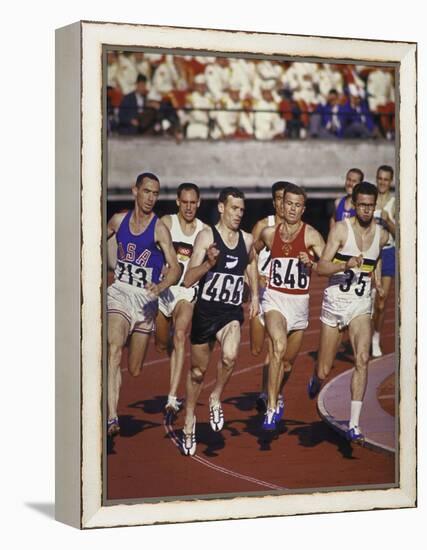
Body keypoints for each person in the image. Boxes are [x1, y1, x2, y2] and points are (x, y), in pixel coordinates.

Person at [307, 181, 389, 442]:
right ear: (353, 205)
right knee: (324, 370)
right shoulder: (341, 231)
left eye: (370, 205)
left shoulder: (382, 235)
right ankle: (316, 378)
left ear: (375, 206)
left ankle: (354, 424)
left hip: (360, 306)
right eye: (361, 205)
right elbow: (321, 267)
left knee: (362, 358)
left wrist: (375, 279)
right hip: (334, 305)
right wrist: (346, 266)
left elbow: (374, 261)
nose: (366, 210)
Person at [181, 187, 259, 456]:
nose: (239, 214)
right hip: (205, 313)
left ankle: (215, 397)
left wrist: (256, 295)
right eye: (234, 208)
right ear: (222, 208)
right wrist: (208, 264)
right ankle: (190, 418)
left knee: (229, 356)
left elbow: (251, 264)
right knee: (197, 373)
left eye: (242, 210)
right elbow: (188, 279)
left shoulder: (247, 240)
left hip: (230, 313)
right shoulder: (206, 236)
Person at [106, 172, 180, 436]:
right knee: (113, 349)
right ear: (134, 191)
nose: (150, 198)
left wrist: (160, 286)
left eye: (155, 193)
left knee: (135, 368)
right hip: (120, 294)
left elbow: (175, 268)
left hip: (146, 302)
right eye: (146, 191)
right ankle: (112, 417)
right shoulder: (118, 220)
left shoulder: (159, 229)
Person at [255, 183, 325, 430]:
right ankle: (271, 407)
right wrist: (256, 278)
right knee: (277, 346)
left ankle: (277, 394)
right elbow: (249, 256)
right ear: (281, 205)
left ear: (303, 209)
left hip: (299, 304)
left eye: (298, 205)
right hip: (274, 299)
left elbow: (326, 267)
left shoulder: (312, 235)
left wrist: (312, 262)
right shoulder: (268, 233)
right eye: (289, 204)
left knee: (286, 363)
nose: (293, 209)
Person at [155, 183, 207, 414]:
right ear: (177, 201)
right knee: (161, 343)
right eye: (184, 202)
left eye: (192, 203)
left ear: (199, 203)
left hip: (186, 292)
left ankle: (172, 397)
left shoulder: (204, 231)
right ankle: (172, 364)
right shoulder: (166, 223)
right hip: (163, 291)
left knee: (180, 334)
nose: (188, 207)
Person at [249, 181, 288, 411]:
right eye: (280, 199)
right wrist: (256, 277)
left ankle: (271, 393)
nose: (284, 204)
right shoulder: (264, 225)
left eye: (288, 199)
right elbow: (248, 256)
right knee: (256, 348)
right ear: (274, 202)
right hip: (261, 293)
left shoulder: (297, 229)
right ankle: (269, 390)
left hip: (282, 296)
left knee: (276, 346)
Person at [372, 165, 396, 357]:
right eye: (380, 178)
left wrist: (388, 221)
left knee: (381, 301)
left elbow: (401, 233)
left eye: (386, 179)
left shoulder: (395, 202)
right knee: (366, 301)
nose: (382, 182)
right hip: (370, 253)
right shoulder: (370, 199)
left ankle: (376, 337)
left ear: (391, 181)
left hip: (387, 253)